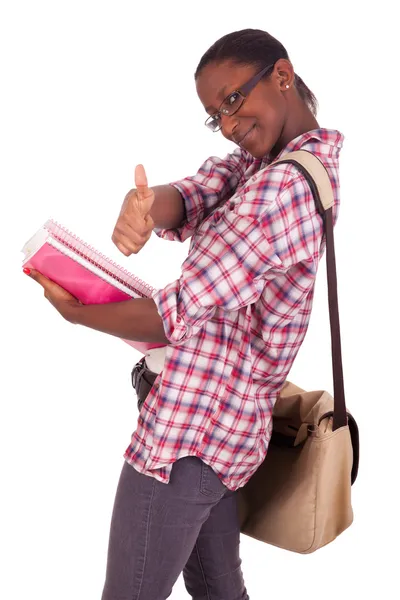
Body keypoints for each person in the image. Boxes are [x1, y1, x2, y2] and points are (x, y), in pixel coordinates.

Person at [25, 28, 343, 600]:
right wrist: (149, 207)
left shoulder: (284, 192)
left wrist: (81, 314)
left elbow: (176, 313)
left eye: (233, 100)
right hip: (221, 435)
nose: (227, 123)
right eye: (214, 114)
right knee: (220, 591)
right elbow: (203, 190)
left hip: (191, 436)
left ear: (282, 75)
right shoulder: (268, 165)